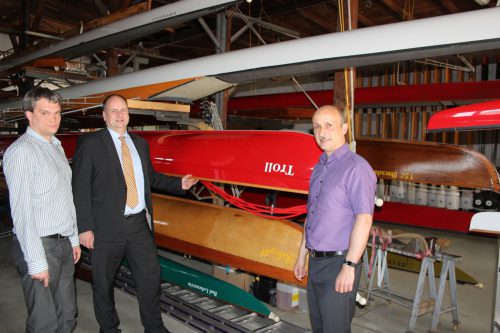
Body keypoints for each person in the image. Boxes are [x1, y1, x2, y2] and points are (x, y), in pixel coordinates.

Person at [71, 94, 198, 333]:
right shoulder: (90, 144)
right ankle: (109, 329)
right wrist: (84, 227)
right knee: (103, 283)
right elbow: (79, 188)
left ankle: (154, 327)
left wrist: (178, 184)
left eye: (123, 110)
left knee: (151, 277)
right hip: (106, 227)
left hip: (139, 224)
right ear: (104, 116)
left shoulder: (139, 143)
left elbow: (149, 177)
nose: (120, 115)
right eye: (114, 111)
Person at [3, 87, 81, 332]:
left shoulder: (56, 147)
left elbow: (66, 197)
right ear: (29, 114)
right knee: (45, 321)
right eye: (45, 113)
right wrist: (36, 262)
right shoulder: (22, 152)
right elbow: (22, 213)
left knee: (67, 315)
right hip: (40, 245)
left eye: (57, 113)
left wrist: (74, 237)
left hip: (64, 244)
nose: (54, 119)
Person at [293, 105, 376, 333]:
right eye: (317, 127)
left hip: (339, 263)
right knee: (319, 327)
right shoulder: (319, 168)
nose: (322, 132)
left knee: (335, 329)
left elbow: (364, 218)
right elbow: (312, 215)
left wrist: (349, 265)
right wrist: (302, 255)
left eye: (329, 125)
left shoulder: (357, 168)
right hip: (316, 262)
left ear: (345, 128)